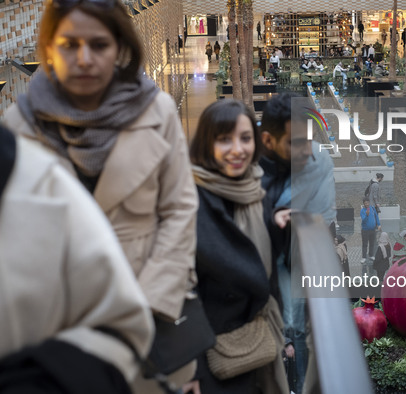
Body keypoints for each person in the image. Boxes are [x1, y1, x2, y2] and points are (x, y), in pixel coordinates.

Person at [3, 1, 198, 391]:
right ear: (49, 49)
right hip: (51, 330)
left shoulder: (156, 111)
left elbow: (180, 210)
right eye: (69, 44)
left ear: (120, 48)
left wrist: (148, 305)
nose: (84, 58)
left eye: (99, 44)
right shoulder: (18, 126)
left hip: (148, 316)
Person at [0, 127, 153, 393]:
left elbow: (180, 210)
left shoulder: (33, 173)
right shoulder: (24, 126)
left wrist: (157, 298)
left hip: (143, 282)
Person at [187, 99, 290, 394]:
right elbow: (177, 287)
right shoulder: (188, 199)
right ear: (207, 144)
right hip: (210, 355)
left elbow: (264, 257)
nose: (237, 150)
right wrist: (187, 365)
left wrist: (276, 222)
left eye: (245, 138)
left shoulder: (255, 190)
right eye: (224, 139)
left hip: (256, 343)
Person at [258, 94, 336, 394]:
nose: (307, 151)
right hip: (256, 271)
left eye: (309, 139)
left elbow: (319, 226)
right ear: (268, 142)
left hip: (299, 264)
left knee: (300, 329)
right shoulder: (246, 165)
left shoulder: (319, 162)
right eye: (295, 143)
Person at [361, 197, 381, 267]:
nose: (367, 204)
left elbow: (376, 217)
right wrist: (366, 215)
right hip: (365, 230)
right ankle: (364, 257)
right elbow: (363, 220)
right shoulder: (362, 211)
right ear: (363, 204)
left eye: (367, 203)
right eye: (365, 203)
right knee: (365, 244)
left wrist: (378, 224)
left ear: (369, 202)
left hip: (372, 229)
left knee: (372, 243)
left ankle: (371, 255)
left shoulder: (372, 208)